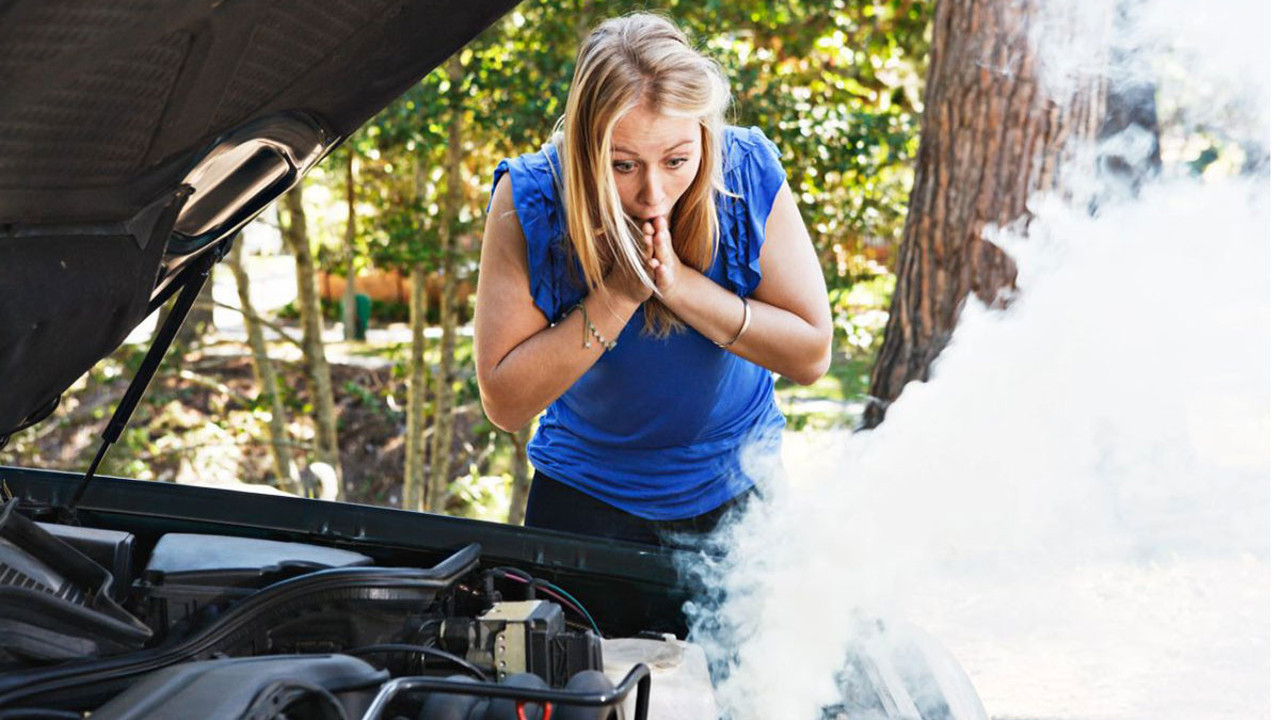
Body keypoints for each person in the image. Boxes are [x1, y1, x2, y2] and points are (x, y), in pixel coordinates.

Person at [474, 13, 831, 545]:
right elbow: (505, 405)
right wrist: (619, 295)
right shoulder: (531, 195)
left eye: (677, 160)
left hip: (741, 492)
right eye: (623, 165)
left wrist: (681, 287)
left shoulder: (747, 169)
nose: (653, 193)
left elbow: (812, 356)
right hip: (584, 499)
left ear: (704, 135)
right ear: (584, 149)